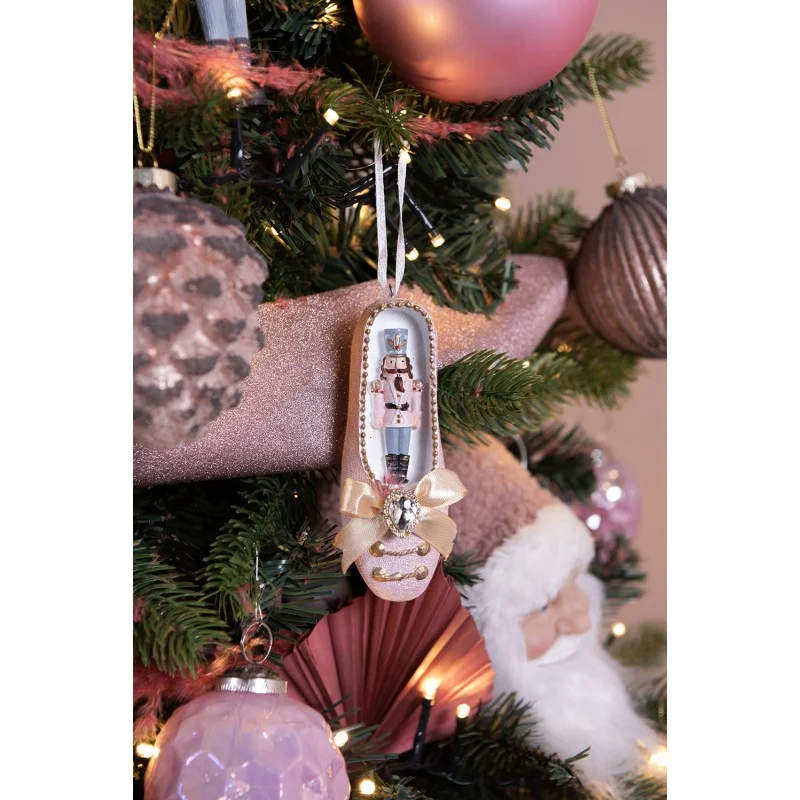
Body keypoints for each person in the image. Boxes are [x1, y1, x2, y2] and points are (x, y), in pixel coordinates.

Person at [371, 328, 424, 483]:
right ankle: (392, 475)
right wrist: (378, 417)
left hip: (406, 418)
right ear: (385, 365)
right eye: (392, 363)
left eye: (400, 363)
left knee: (404, 446)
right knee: (392, 446)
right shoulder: (382, 384)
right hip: (389, 418)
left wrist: (416, 416)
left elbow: (416, 401)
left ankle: (402, 475)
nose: (396, 369)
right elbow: (379, 401)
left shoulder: (411, 383)